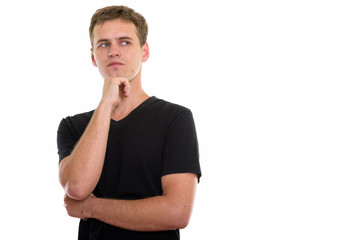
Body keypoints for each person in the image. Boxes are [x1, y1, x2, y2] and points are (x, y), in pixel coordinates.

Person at [56, 5, 201, 240]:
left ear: (144, 51)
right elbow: (78, 188)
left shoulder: (174, 119)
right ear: (93, 56)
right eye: (104, 44)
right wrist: (106, 105)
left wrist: (92, 208)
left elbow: (177, 212)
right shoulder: (72, 126)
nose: (113, 51)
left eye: (124, 42)